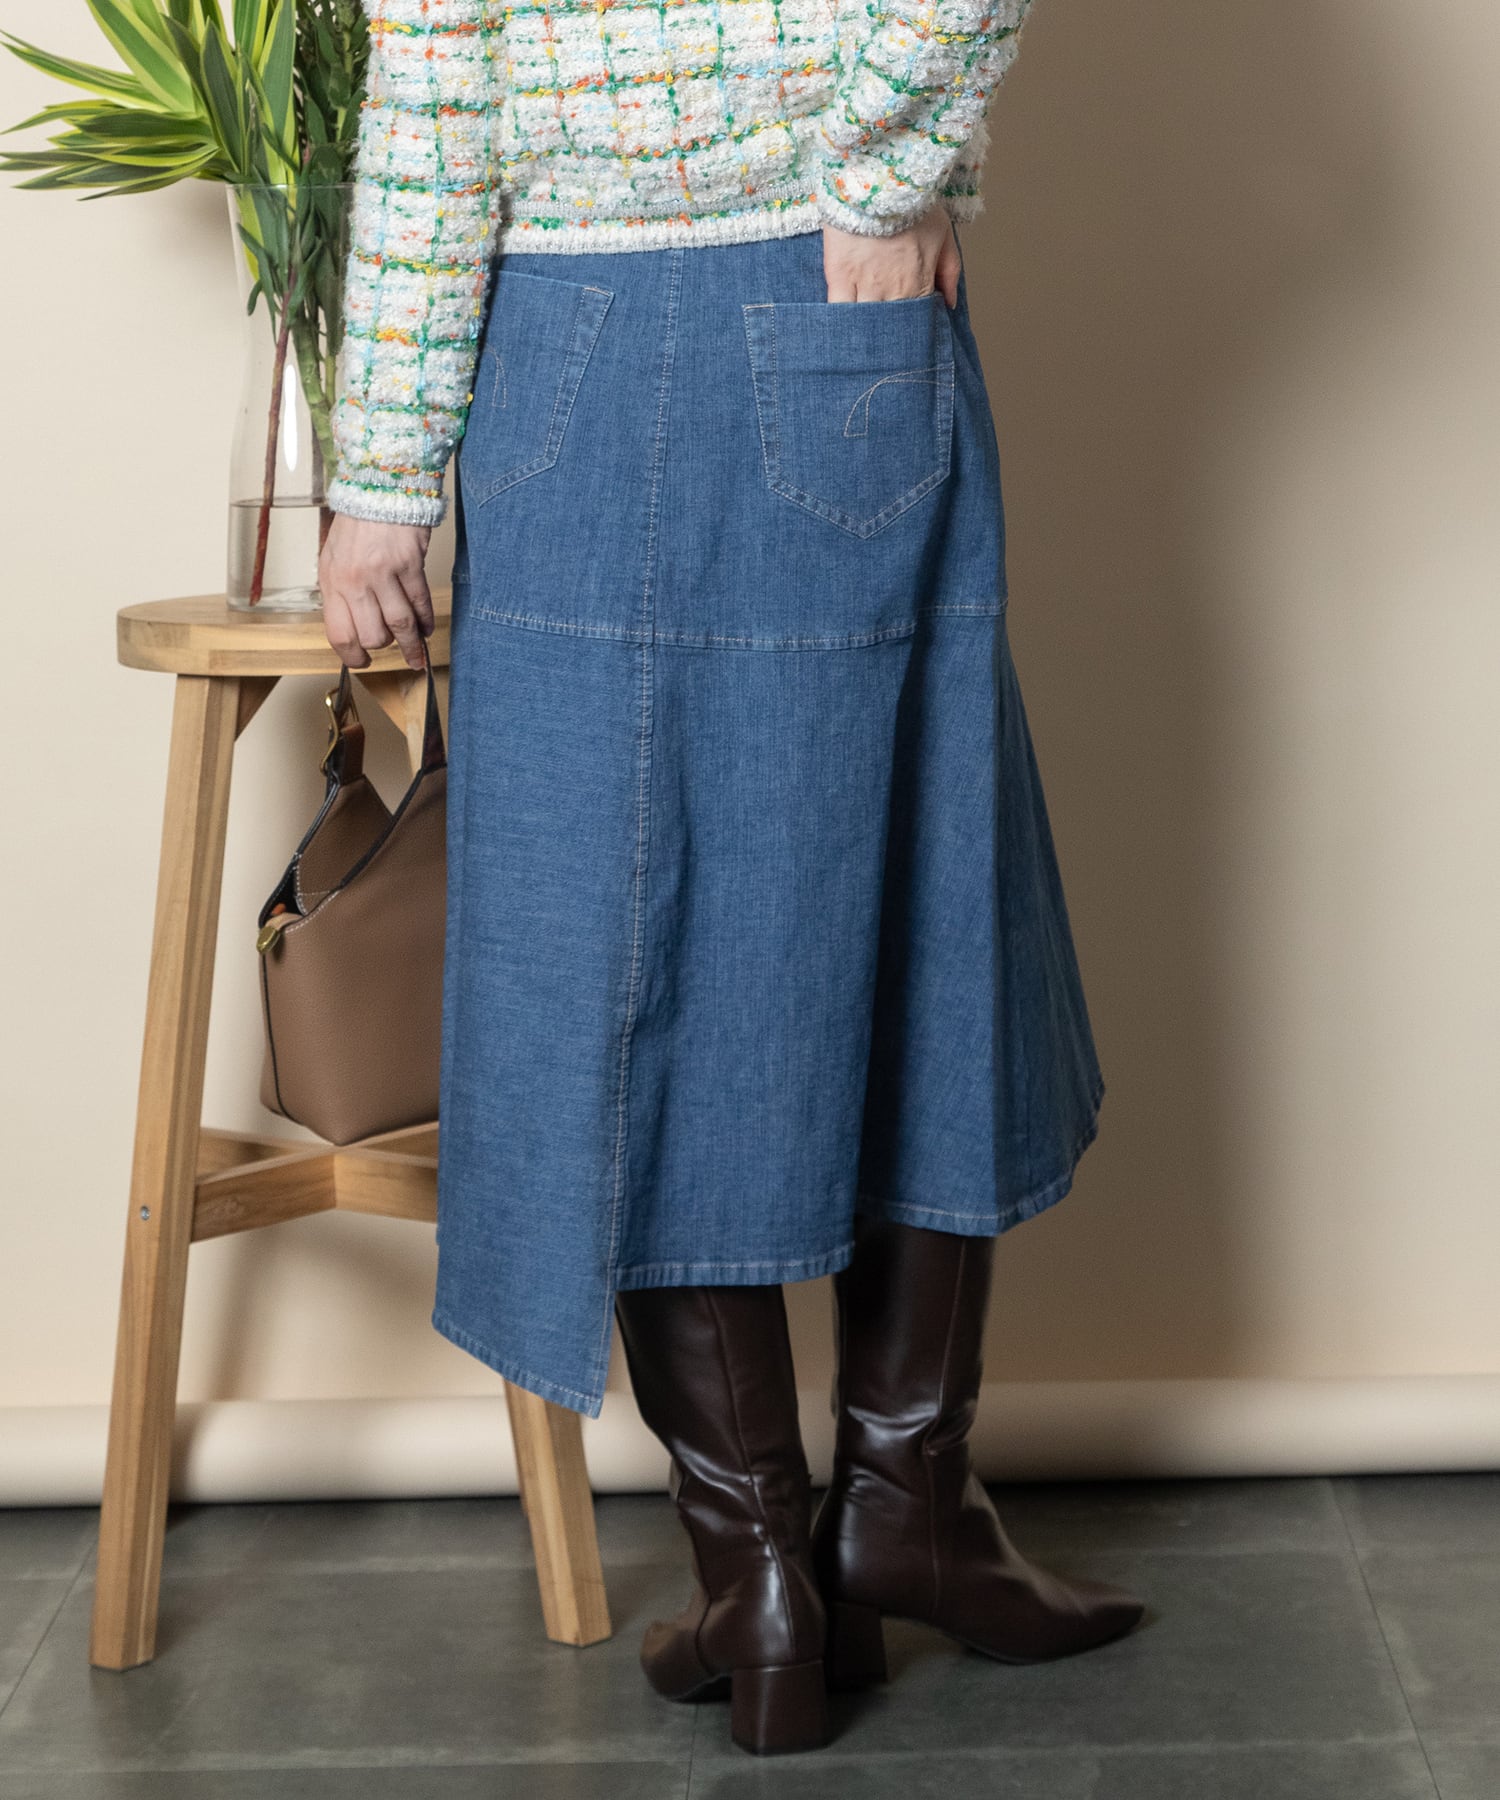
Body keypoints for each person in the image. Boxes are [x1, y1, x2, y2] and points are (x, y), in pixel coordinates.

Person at [319, 0, 1145, 1757]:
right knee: (908, 892)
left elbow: (435, 88)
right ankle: (889, 1509)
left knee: (621, 942)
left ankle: (770, 1570)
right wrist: (879, 175)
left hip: (573, 343)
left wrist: (383, 475)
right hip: (798, 308)